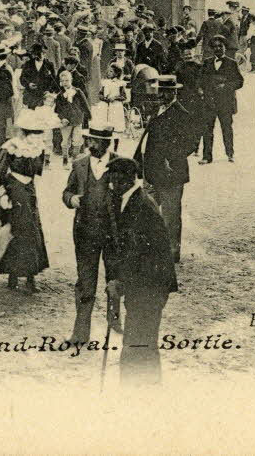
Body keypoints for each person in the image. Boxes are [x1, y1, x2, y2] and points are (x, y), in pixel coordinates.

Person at [105, 155, 178, 384]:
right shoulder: (128, 201)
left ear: (124, 181)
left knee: (139, 344)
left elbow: (141, 254)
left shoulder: (142, 207)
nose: (110, 185)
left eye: (113, 181)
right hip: (141, 285)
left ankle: (142, 393)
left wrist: (121, 282)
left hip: (150, 286)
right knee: (137, 343)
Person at [62, 125, 119, 344]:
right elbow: (67, 192)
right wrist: (71, 199)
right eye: (89, 140)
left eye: (95, 141)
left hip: (112, 234)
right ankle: (80, 332)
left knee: (114, 280)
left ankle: (114, 321)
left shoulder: (119, 164)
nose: (90, 144)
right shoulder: (79, 165)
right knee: (85, 283)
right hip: (85, 232)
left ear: (106, 143)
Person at [0, 108, 53, 293]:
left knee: (32, 230)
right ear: (24, 132)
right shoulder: (11, 147)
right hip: (14, 190)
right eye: (32, 133)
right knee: (15, 230)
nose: (36, 136)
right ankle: (12, 275)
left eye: (39, 133)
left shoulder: (38, 148)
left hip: (29, 191)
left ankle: (30, 276)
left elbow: (36, 171)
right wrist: (3, 194)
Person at [140, 75, 194, 263]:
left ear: (174, 92)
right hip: (151, 171)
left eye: (166, 92)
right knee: (147, 212)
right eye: (160, 91)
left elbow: (191, 143)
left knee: (170, 216)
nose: (162, 95)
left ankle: (171, 252)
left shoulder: (182, 114)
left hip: (171, 172)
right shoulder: (156, 111)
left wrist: (171, 158)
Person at [199, 35, 244, 164]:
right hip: (210, 101)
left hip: (225, 102)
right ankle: (207, 156)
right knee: (207, 129)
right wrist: (202, 89)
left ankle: (230, 153)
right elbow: (201, 79)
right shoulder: (207, 63)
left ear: (225, 48)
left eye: (221, 46)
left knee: (227, 128)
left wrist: (226, 86)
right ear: (212, 49)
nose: (218, 49)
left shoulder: (232, 63)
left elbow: (239, 81)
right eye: (215, 47)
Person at [53, 68, 91, 164]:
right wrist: (62, 118)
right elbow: (57, 110)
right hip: (66, 121)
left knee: (77, 139)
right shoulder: (60, 95)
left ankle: (75, 160)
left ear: (71, 80)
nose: (65, 83)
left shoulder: (78, 92)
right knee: (65, 141)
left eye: (67, 80)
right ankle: (65, 159)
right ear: (60, 82)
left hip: (77, 119)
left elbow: (85, 104)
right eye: (62, 81)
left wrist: (88, 116)